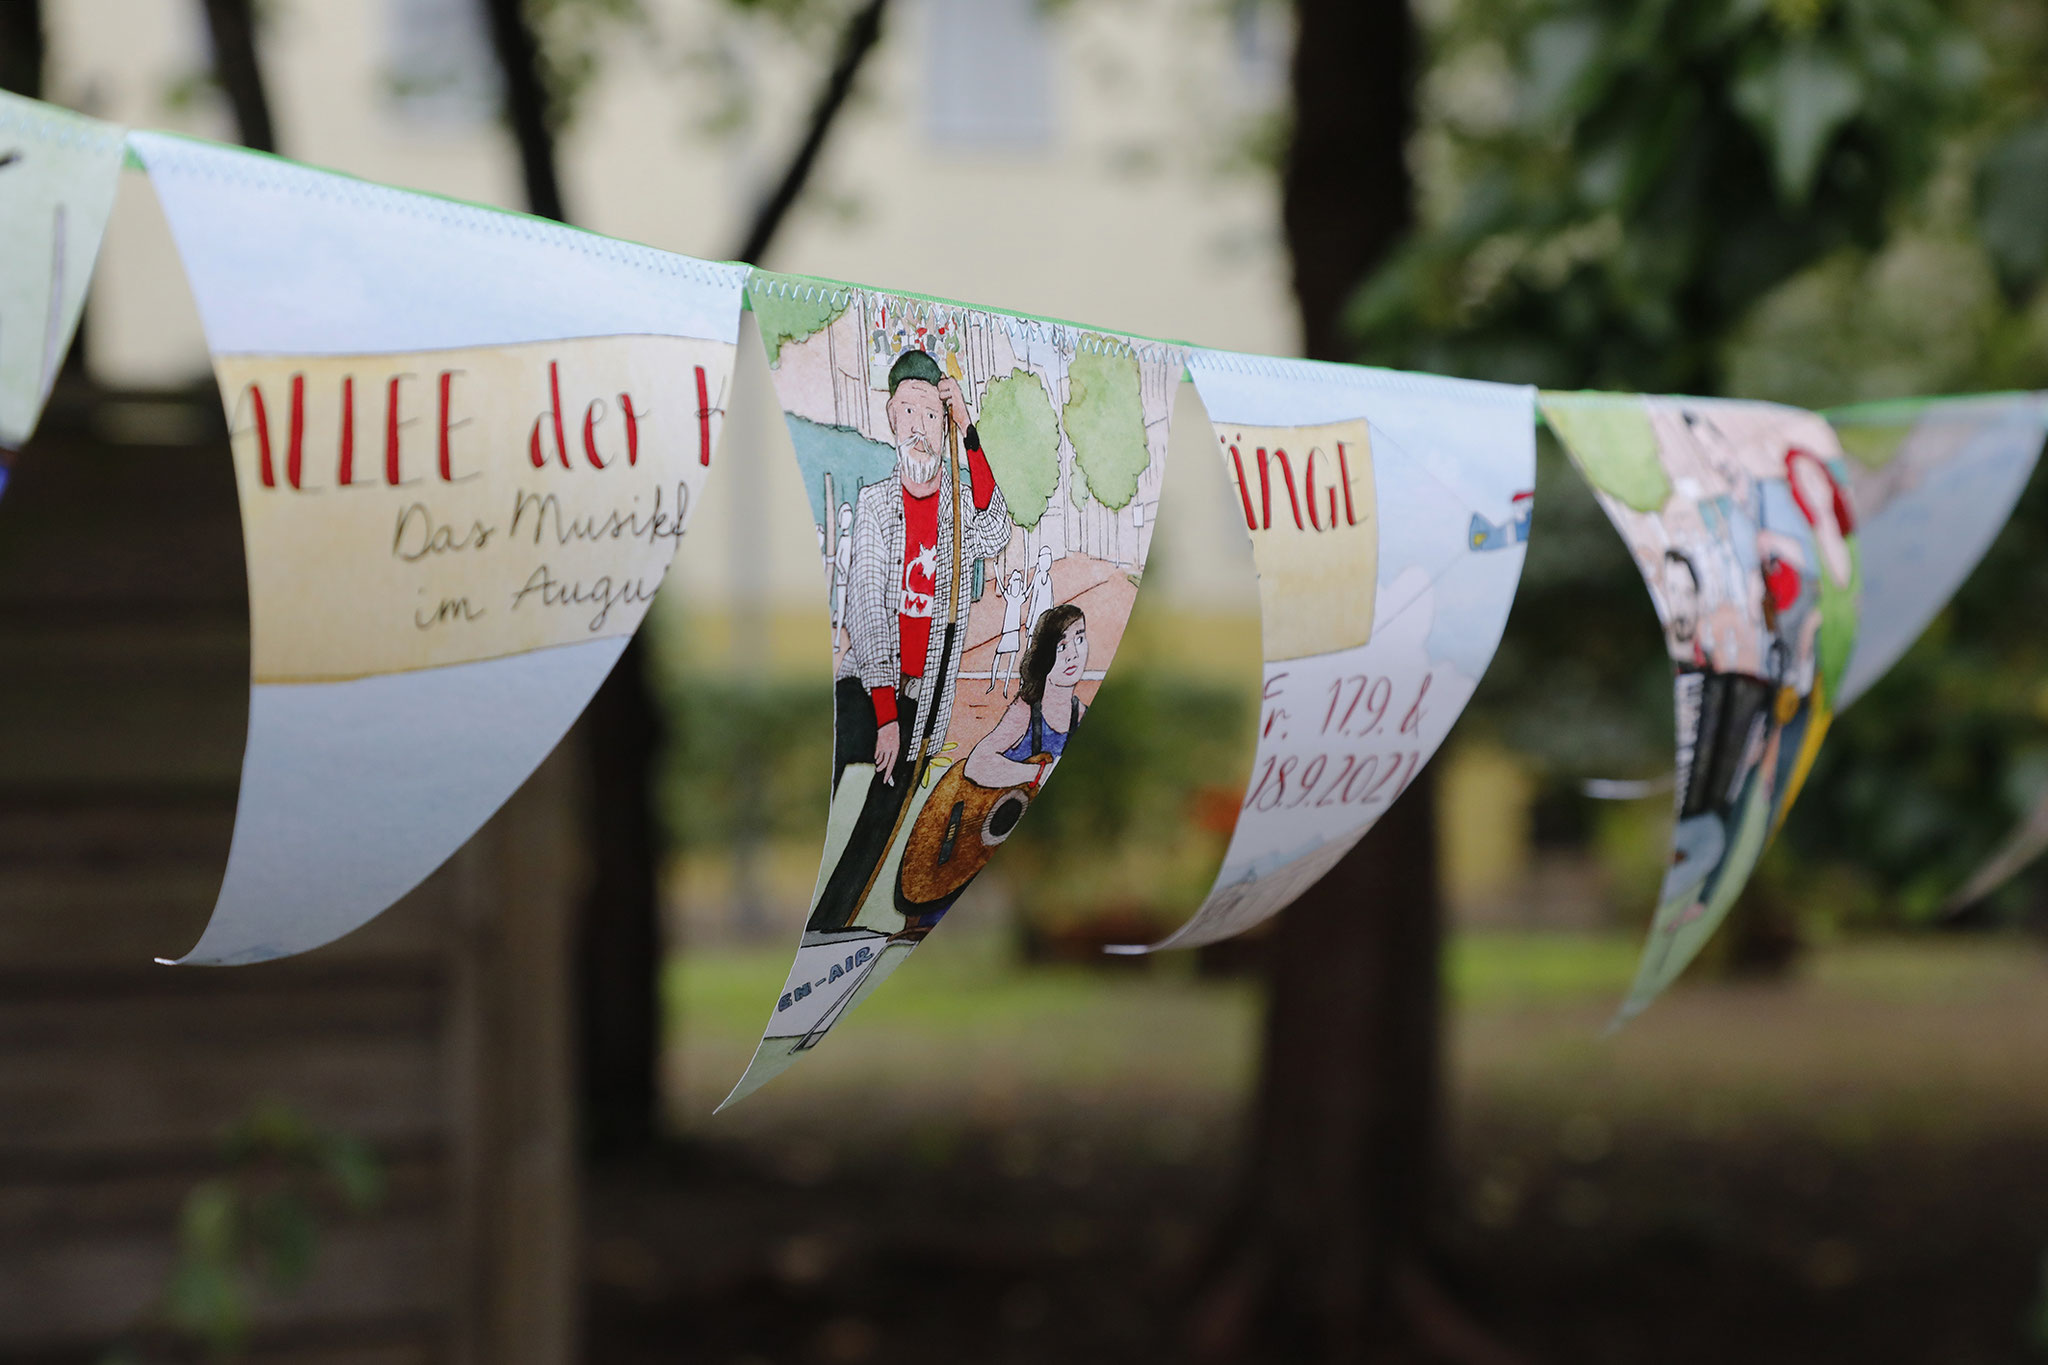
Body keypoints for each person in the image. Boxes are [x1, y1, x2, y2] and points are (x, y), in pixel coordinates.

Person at [807, 348, 1012, 934]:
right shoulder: (875, 505)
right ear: (891, 419)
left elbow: (994, 527)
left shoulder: (953, 509)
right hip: (871, 689)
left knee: (880, 825)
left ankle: (832, 925)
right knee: (833, 772)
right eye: (908, 413)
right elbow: (869, 605)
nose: (920, 429)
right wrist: (884, 713)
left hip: (924, 699)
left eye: (930, 415)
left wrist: (968, 430)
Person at [963, 604, 1088, 791]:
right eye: (1061, 646)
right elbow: (976, 765)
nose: (1073, 655)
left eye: (1079, 639)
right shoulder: (1025, 711)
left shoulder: (1082, 716)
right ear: (1044, 656)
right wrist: (1038, 774)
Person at [986, 568, 1028, 694]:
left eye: (1018, 583)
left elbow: (1029, 588)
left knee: (1011, 660)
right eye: (1014, 582)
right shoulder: (1009, 597)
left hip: (1014, 632)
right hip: (1007, 632)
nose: (1016, 585)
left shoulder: (1020, 598)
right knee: (998, 656)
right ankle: (992, 683)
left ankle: (1005, 687)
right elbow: (999, 582)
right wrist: (996, 569)